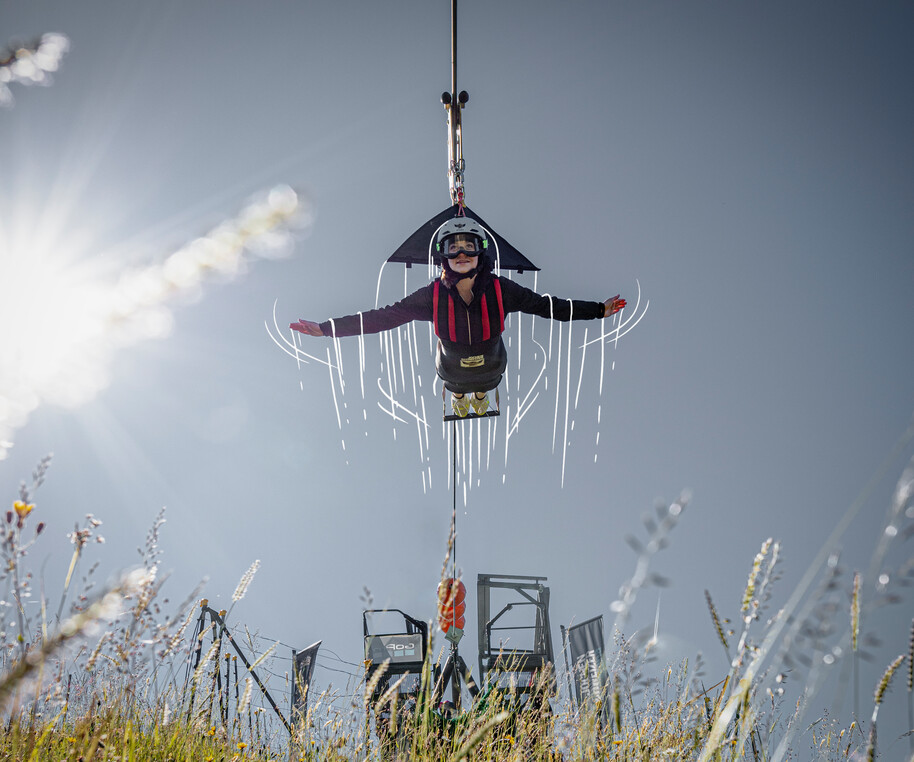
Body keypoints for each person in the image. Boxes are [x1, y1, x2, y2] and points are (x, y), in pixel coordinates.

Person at [290, 216, 625, 418]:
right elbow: (384, 317)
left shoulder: (501, 289)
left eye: (468, 247)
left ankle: (479, 396)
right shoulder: (430, 296)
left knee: (484, 381)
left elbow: (549, 307)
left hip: (492, 361)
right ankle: (462, 396)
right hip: (450, 365)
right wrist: (327, 329)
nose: (462, 254)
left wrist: (598, 310)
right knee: (457, 382)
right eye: (454, 248)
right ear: (443, 257)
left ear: (481, 253)